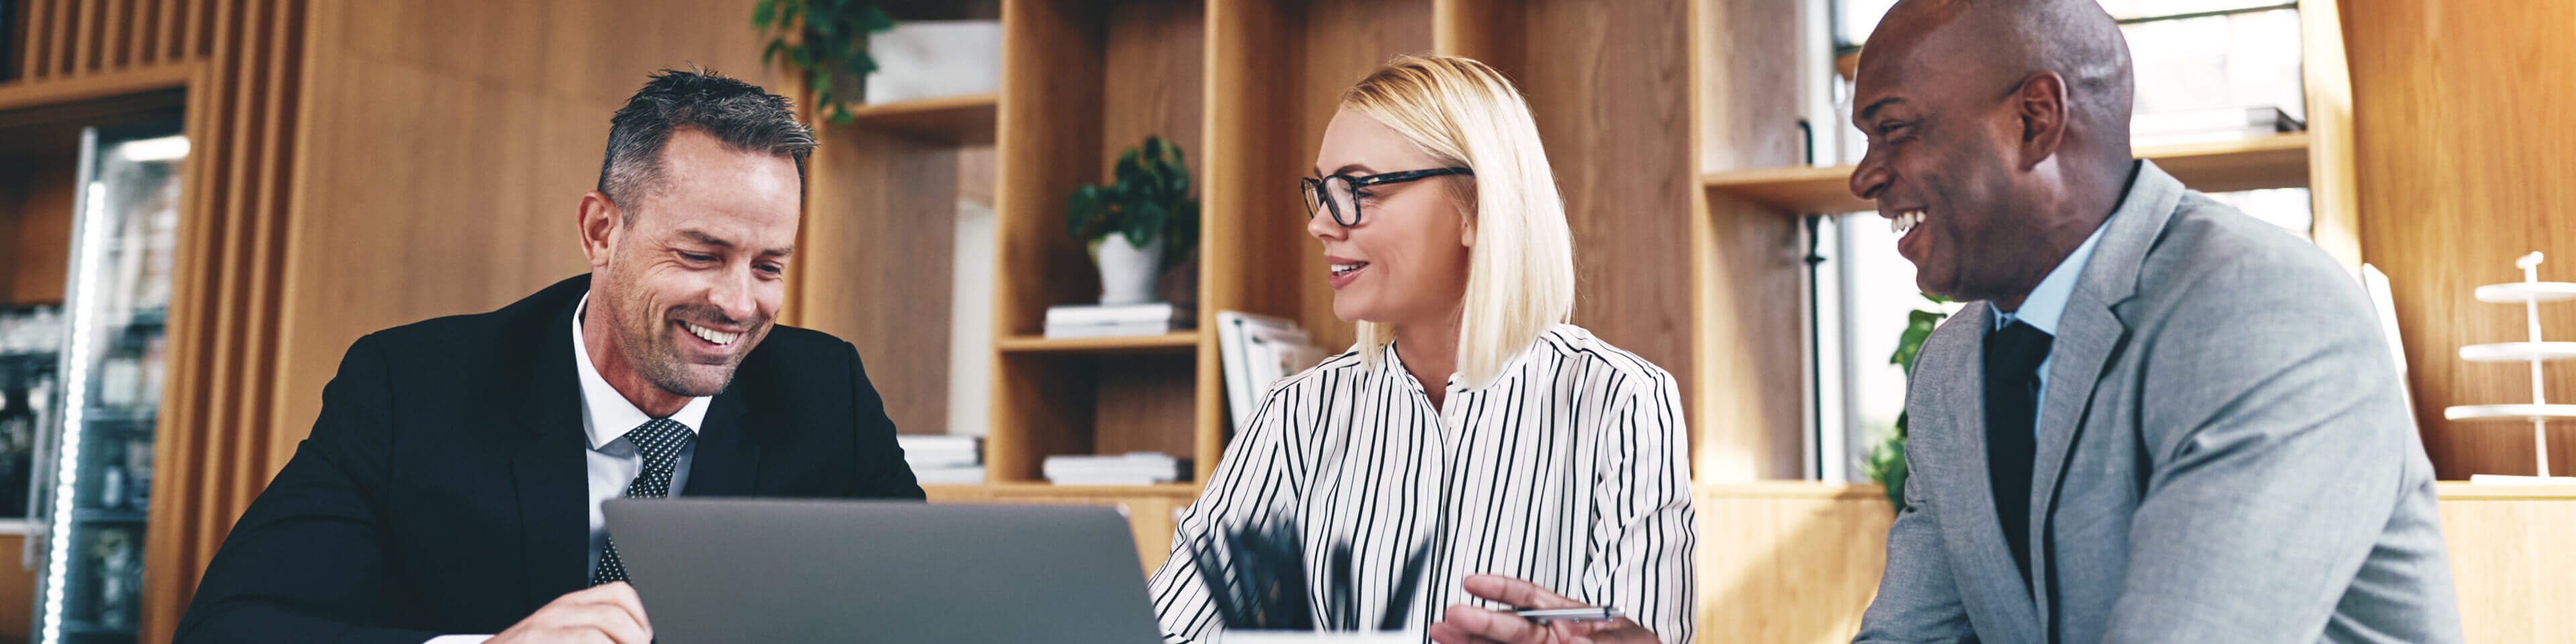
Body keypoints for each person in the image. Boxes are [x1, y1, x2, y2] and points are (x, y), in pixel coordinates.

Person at [174, 68, 924, 644]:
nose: (737, 303)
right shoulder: (412, 388)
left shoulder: (829, 395)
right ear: (601, 231)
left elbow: (929, 615)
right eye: (701, 255)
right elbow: (234, 628)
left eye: (769, 267)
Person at [1843, 1, 2460, 643]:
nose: (1866, 177)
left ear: (2035, 120)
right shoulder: (1952, 366)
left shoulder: (2265, 312)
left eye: (1894, 129)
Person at [1144, 55, 1695, 644]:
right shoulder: (1295, 415)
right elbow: (1164, 629)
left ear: (1475, 208)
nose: (1322, 225)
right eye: (1322, 192)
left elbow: (1645, 634)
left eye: (1357, 189)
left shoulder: (1622, 401)